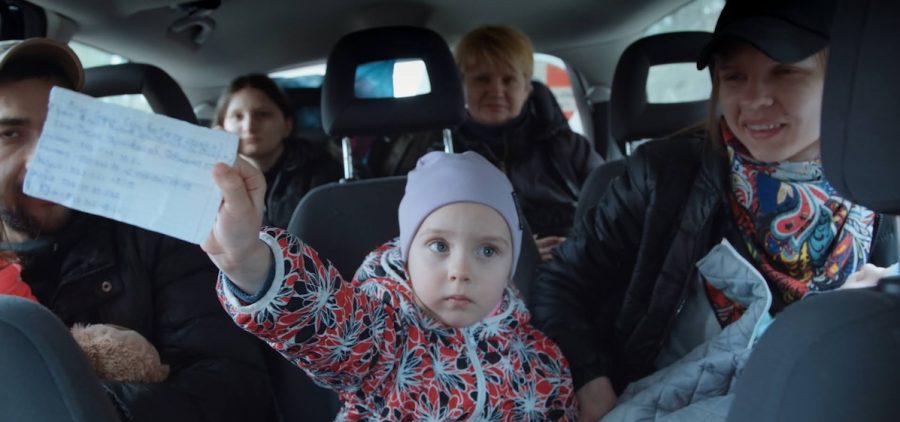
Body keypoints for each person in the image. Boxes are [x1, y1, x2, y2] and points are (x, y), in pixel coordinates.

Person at [528, 0, 897, 420]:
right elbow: (560, 285)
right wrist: (591, 382)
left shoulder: (879, 190)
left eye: (785, 71)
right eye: (734, 76)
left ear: (840, 78)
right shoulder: (660, 177)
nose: (754, 98)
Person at [0, 38, 275, 422]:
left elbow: (235, 391)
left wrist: (82, 405)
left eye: (62, 131)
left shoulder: (159, 234)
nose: (40, 159)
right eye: (9, 134)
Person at [205, 151, 577, 419]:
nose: (460, 269)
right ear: (407, 251)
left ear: (512, 263)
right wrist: (247, 259)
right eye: (439, 246)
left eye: (487, 250)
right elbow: (320, 318)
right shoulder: (380, 335)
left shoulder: (539, 357)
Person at [376, 25, 603, 260]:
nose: (496, 90)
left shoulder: (569, 148)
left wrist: (577, 246)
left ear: (526, 88)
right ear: (460, 86)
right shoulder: (433, 155)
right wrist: (518, 254)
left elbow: (609, 215)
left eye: (509, 80)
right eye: (482, 79)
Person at [214, 74, 340, 227]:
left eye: (262, 115)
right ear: (222, 126)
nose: (249, 127)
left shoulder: (322, 175)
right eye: (238, 117)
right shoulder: (210, 180)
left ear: (287, 125)